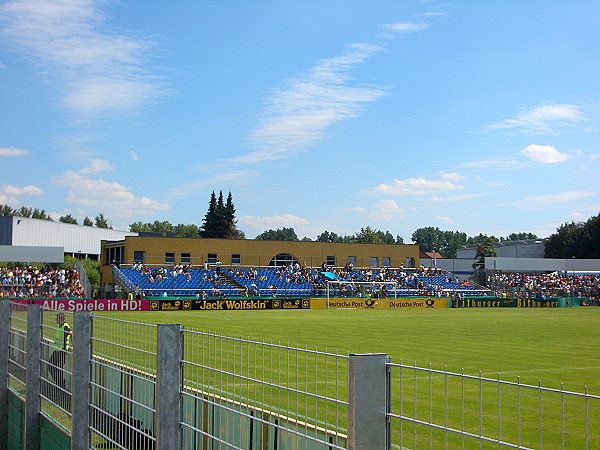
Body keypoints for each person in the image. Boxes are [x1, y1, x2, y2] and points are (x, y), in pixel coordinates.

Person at [49, 312, 72, 407]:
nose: (56, 320)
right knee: (51, 367)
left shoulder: (66, 326)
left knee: (58, 369)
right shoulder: (60, 326)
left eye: (58, 318)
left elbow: (70, 334)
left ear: (61, 319)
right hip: (56, 350)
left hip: (62, 351)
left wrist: (71, 346)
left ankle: (60, 386)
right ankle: (60, 384)